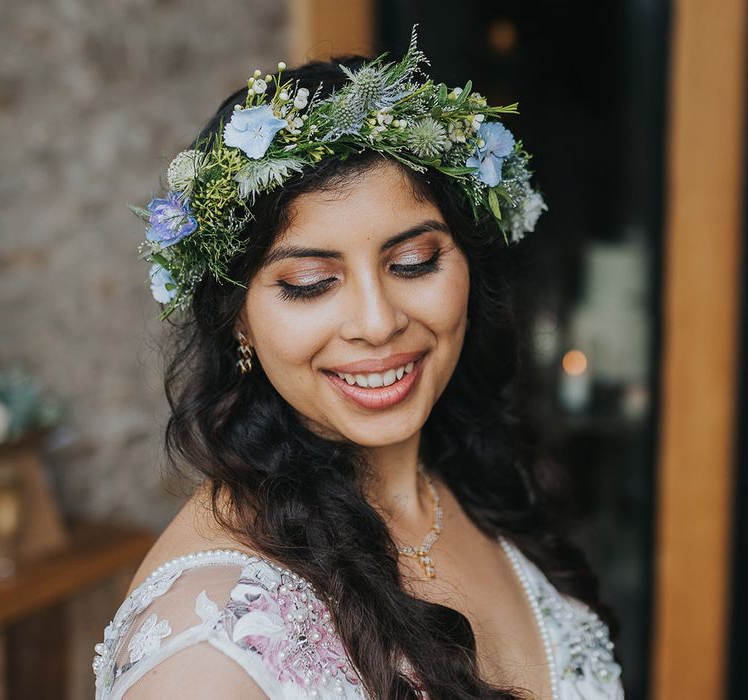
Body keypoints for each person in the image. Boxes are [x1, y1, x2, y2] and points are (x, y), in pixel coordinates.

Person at [93, 30, 624, 700]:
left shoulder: (472, 480)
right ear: (237, 317)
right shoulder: (209, 650)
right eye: (311, 282)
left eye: (414, 263)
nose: (378, 323)